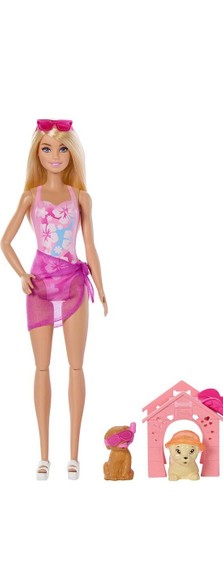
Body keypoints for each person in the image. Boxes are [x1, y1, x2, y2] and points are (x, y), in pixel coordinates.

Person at [1, 119, 108, 480]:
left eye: (63, 148)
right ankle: (44, 455)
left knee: (76, 367)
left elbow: (90, 246)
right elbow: (5, 242)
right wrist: (21, 274)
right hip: (40, 287)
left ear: (72, 153)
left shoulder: (81, 198)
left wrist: (102, 287)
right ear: (37, 153)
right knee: (42, 367)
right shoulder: (30, 196)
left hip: (74, 282)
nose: (55, 155)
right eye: (47, 148)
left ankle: (74, 455)